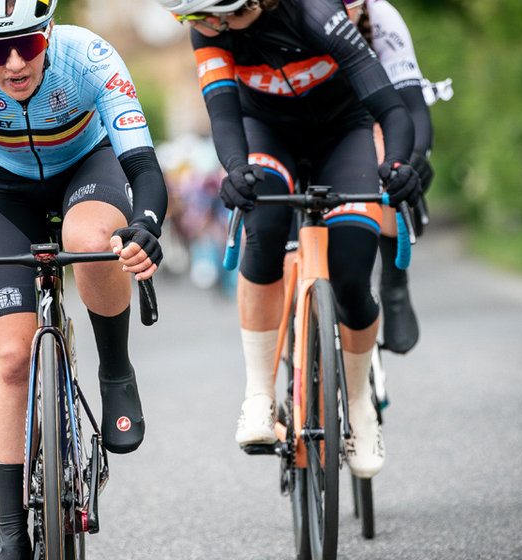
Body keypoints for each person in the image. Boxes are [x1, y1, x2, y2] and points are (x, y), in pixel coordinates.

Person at [0, 1, 167, 557]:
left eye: (28, 44)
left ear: (49, 32)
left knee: (91, 241)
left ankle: (115, 369)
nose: (14, 63)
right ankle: (10, 532)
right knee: (11, 358)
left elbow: (143, 165)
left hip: (88, 169)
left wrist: (145, 225)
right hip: (2, 188)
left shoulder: (89, 55)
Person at [157, 0, 421, 478]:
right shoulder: (210, 27)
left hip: (342, 133)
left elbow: (390, 108)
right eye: (196, 20)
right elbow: (224, 115)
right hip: (267, 132)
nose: (209, 28)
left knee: (351, 270)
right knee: (263, 228)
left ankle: (359, 404)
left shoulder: (314, 13)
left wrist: (398, 164)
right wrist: (235, 170)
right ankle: (258, 395)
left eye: (217, 17)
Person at [345, 0, 435, 354]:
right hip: (312, 124)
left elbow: (413, 106)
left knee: (388, 159)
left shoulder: (381, 17)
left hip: (374, 118)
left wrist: (414, 159)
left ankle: (394, 282)